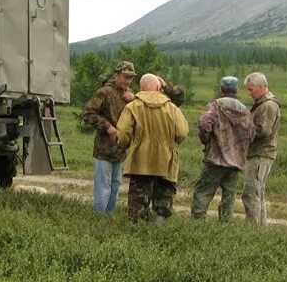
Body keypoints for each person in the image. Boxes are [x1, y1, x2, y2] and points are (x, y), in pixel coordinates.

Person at [116, 73, 189, 222]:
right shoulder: (172, 108)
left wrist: (126, 145)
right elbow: (182, 134)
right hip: (166, 160)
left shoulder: (132, 107)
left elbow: (122, 134)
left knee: (138, 201)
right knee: (163, 199)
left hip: (140, 160)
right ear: (158, 87)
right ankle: (160, 228)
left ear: (141, 88)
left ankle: (137, 230)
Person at [191, 76, 256, 221]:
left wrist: (207, 142)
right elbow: (252, 134)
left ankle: (197, 223)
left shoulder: (214, 106)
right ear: (236, 90)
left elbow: (204, 125)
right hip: (236, 162)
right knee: (229, 196)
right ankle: (225, 225)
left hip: (216, 160)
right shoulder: (245, 111)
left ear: (222, 90)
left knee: (202, 192)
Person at [79, 60, 137, 213]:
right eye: (126, 77)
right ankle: (99, 219)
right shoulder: (105, 92)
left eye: (131, 78)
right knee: (103, 187)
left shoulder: (128, 95)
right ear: (117, 75)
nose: (128, 81)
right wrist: (107, 126)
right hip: (104, 149)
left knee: (116, 185)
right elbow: (87, 113)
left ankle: (107, 217)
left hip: (119, 149)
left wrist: (134, 100)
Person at [242, 72, 281, 226]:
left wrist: (244, 130)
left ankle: (252, 229)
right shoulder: (264, 104)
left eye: (251, 90)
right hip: (260, 153)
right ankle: (260, 229)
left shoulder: (268, 105)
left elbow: (263, 131)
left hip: (260, 153)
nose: (249, 93)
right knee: (259, 193)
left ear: (260, 87)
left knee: (251, 192)